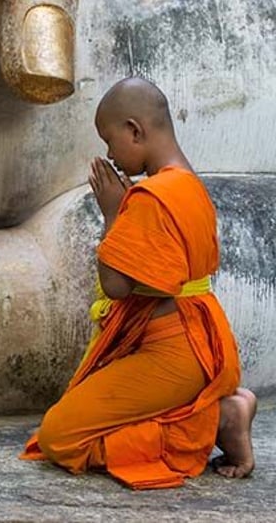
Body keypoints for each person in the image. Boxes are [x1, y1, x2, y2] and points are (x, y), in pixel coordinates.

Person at [21, 77, 256, 489]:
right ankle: (218, 411)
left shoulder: (151, 198)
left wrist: (113, 214)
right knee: (99, 408)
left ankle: (216, 421)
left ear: (135, 129)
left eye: (110, 141)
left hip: (173, 352)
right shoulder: (188, 185)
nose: (110, 155)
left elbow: (117, 286)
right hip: (198, 335)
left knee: (60, 437)